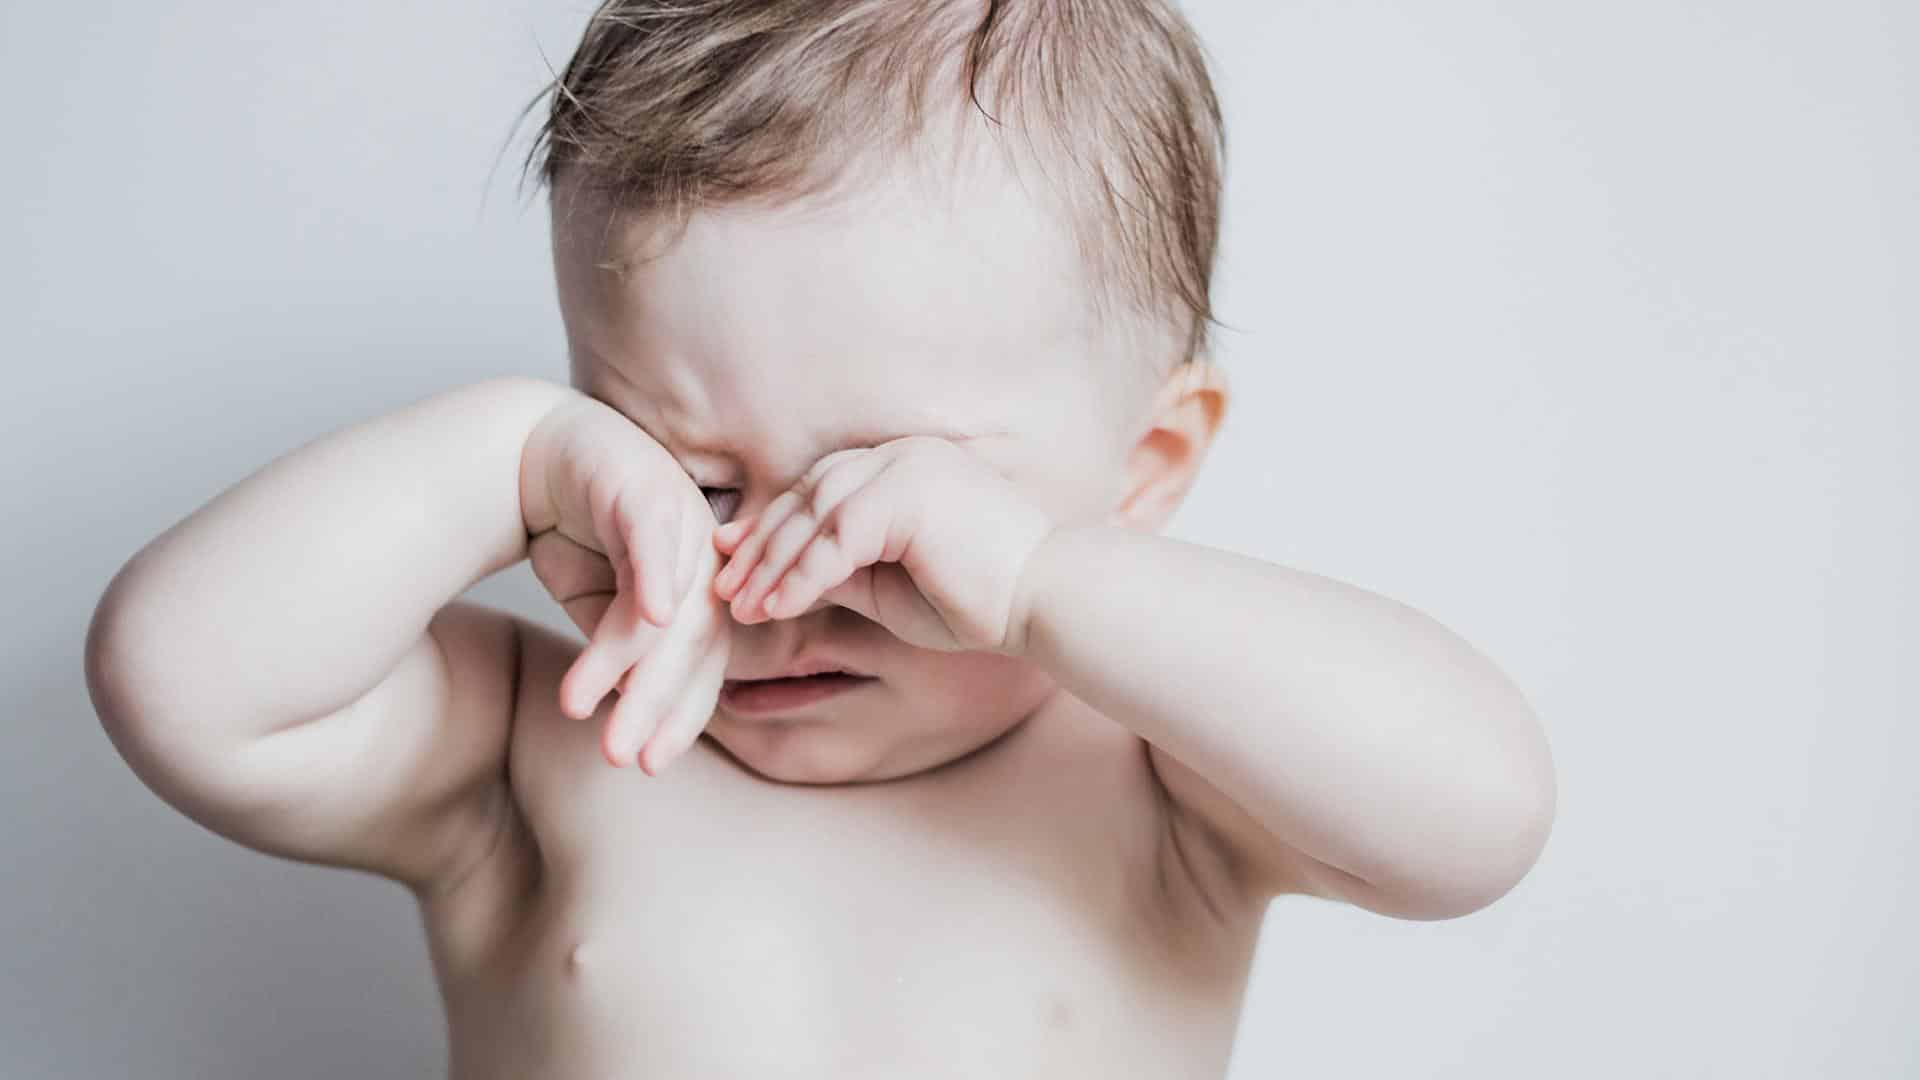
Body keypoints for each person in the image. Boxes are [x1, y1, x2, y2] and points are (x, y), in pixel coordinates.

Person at [84, 2, 1556, 1075]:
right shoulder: (532, 758)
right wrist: (507, 452)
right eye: (691, 482)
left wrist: (1043, 588)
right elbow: (181, 680)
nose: (777, 584)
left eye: (893, 503)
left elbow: (1477, 819)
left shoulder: (1166, 790)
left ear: (1148, 463)